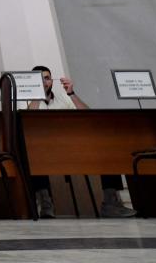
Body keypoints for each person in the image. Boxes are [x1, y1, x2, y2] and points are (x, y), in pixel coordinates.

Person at [27, 65, 136, 219]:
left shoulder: (64, 96)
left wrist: (71, 93)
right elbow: (27, 124)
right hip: (43, 151)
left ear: (52, 80)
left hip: (71, 147)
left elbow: (88, 115)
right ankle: (46, 205)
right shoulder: (26, 99)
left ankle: (111, 203)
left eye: (46, 78)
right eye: (38, 79)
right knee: (32, 153)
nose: (44, 82)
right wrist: (36, 95)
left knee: (106, 148)